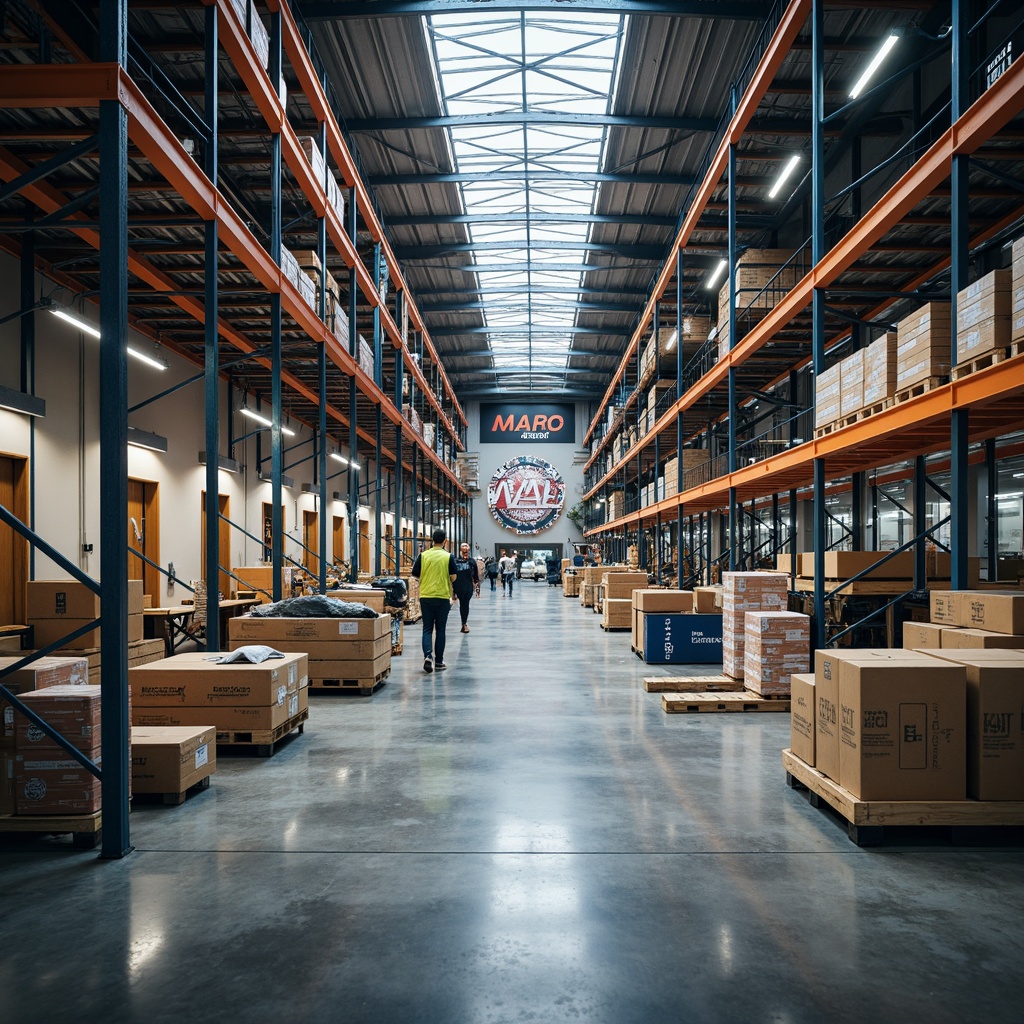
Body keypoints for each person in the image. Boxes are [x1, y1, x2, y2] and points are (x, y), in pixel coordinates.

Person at [411, 527, 457, 673]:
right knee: (441, 629)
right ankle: (439, 661)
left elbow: (415, 574)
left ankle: (427, 656)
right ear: (445, 541)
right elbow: (454, 577)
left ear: (432, 540)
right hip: (442, 596)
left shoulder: (423, 556)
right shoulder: (448, 556)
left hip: (426, 596)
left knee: (427, 629)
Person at [452, 542, 481, 633]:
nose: (465, 551)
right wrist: (453, 590)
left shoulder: (472, 561)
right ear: (461, 550)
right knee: (463, 604)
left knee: (465, 604)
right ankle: (463, 623)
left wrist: (477, 590)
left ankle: (464, 623)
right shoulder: (456, 561)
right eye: (463, 549)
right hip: (459, 585)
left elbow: (475, 576)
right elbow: (452, 575)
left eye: (466, 549)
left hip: (468, 586)